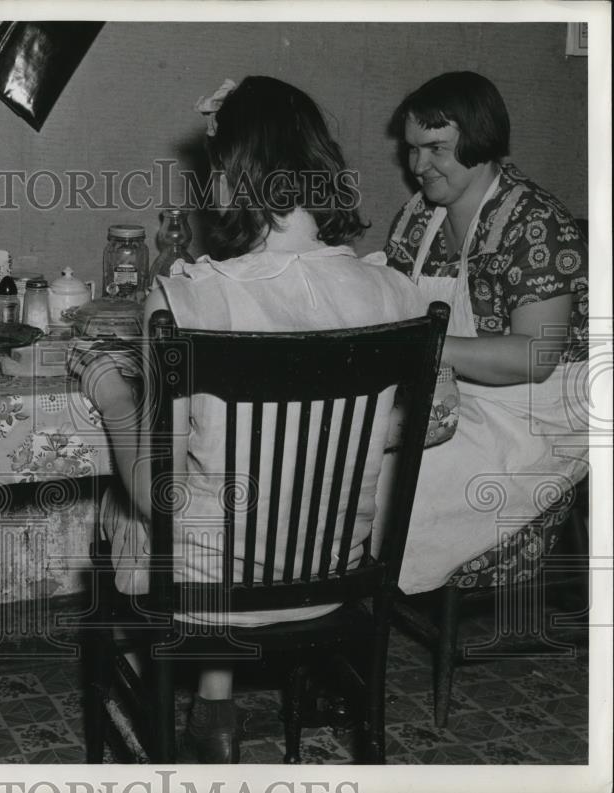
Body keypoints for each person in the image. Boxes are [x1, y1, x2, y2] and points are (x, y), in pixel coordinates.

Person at [77, 76, 428, 763]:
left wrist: (112, 393)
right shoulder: (396, 292)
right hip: (335, 588)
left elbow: (157, 494)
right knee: (239, 491)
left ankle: (204, 707)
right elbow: (420, 427)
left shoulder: (184, 300)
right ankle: (216, 708)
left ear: (232, 181)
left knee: (128, 507)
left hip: (211, 599)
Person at [382, 71, 589, 593]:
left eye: (436, 149)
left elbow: (535, 356)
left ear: (478, 141)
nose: (418, 166)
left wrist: (424, 346)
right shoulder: (417, 216)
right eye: (412, 150)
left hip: (533, 413)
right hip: (450, 397)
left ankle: (352, 619)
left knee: (389, 489)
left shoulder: (535, 224)